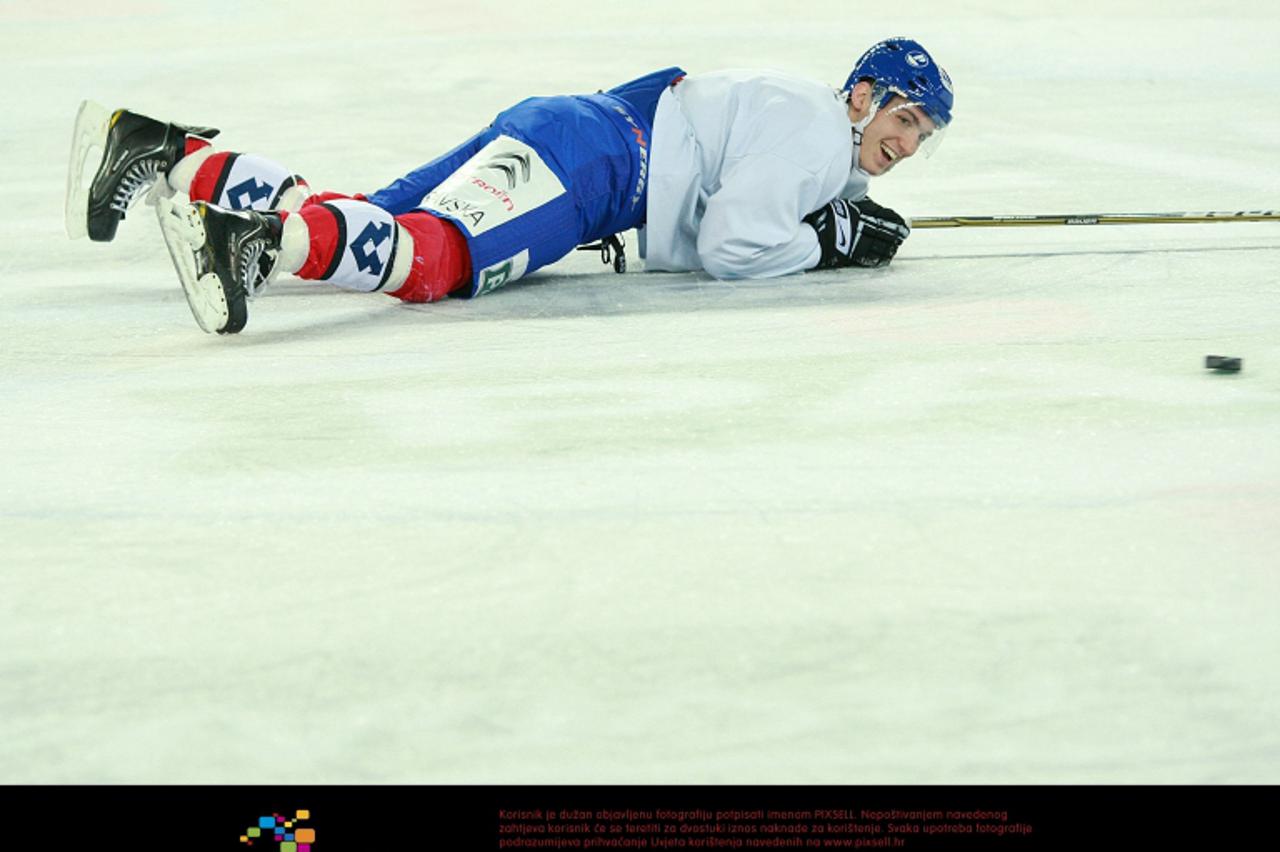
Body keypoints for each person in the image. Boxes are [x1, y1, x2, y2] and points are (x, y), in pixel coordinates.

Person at [65, 37, 953, 334]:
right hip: (597, 166)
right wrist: (821, 246)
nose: (908, 144)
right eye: (905, 120)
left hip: (577, 130)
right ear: (865, 97)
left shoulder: (807, 124)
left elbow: (755, 199)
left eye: (924, 136)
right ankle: (252, 245)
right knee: (434, 261)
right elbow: (732, 244)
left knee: (371, 222)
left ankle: (162, 151)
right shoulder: (813, 128)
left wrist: (831, 222)